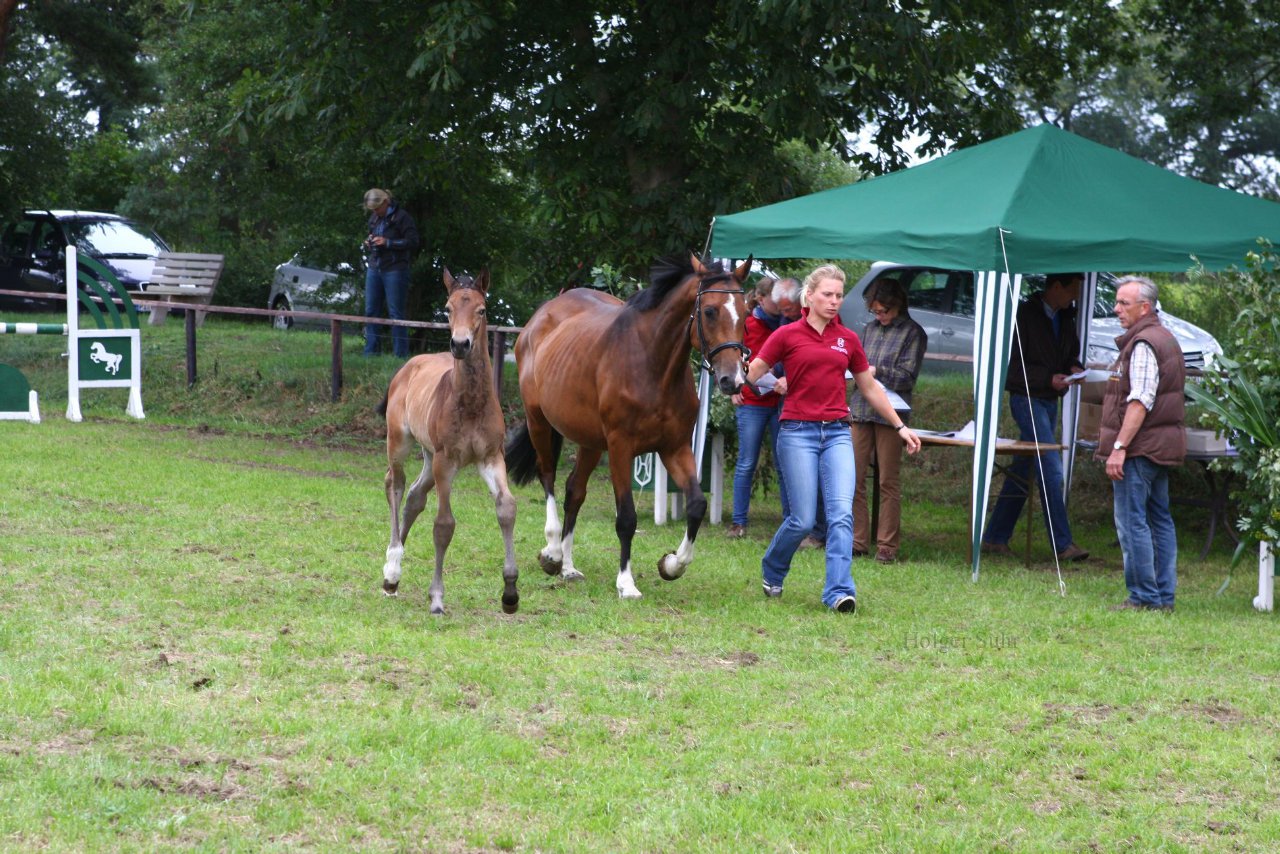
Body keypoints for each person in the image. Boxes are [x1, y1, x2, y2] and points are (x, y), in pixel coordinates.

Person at [746, 264, 921, 613]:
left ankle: (839, 591)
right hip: (797, 432)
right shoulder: (786, 335)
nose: (834, 301)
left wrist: (900, 426)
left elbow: (868, 386)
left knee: (842, 515)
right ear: (809, 296)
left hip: (839, 431)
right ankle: (774, 567)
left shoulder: (849, 340)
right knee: (803, 519)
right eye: (827, 294)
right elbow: (754, 373)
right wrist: (743, 378)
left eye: (839, 295)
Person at [981, 272, 1090, 562]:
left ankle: (994, 537)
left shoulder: (1067, 317)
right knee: (1051, 469)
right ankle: (1062, 544)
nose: (1076, 295)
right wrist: (1049, 378)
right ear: (1056, 286)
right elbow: (1010, 366)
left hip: (1049, 400)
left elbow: (1070, 355)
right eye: (1073, 289)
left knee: (1024, 468)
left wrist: (1075, 368)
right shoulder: (1025, 315)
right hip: (1026, 399)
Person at [1096, 276, 1185, 612]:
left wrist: (1119, 447)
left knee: (1133, 520)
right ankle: (1163, 597)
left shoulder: (1144, 343)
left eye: (1124, 303)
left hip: (1140, 448)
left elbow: (1140, 401)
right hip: (1159, 444)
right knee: (1159, 518)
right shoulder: (1164, 337)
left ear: (1144, 307)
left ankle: (1144, 597)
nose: (1117, 309)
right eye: (1117, 302)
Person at [849, 278, 928, 564]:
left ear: (897, 306)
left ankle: (887, 546)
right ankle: (857, 541)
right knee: (854, 478)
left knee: (888, 481)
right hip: (859, 408)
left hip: (893, 414)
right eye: (875, 312)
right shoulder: (868, 330)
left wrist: (875, 370)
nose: (879, 317)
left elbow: (907, 377)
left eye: (884, 311)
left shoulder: (913, 333)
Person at [728, 277, 791, 538]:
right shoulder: (748, 323)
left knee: (784, 462)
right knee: (746, 462)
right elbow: (729, 356)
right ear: (762, 299)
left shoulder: (787, 322)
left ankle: (790, 521)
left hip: (781, 401)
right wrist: (733, 391)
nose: (780, 305)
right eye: (775, 300)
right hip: (752, 402)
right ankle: (738, 522)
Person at [361, 188, 420, 358]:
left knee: (396, 313)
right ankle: (371, 353)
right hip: (374, 267)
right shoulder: (374, 218)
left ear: (385, 202)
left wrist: (388, 243)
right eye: (372, 209)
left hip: (395, 269)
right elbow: (372, 235)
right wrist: (370, 242)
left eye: (377, 208)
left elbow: (413, 241)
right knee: (371, 311)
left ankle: (400, 355)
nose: (375, 211)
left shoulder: (402, 217)